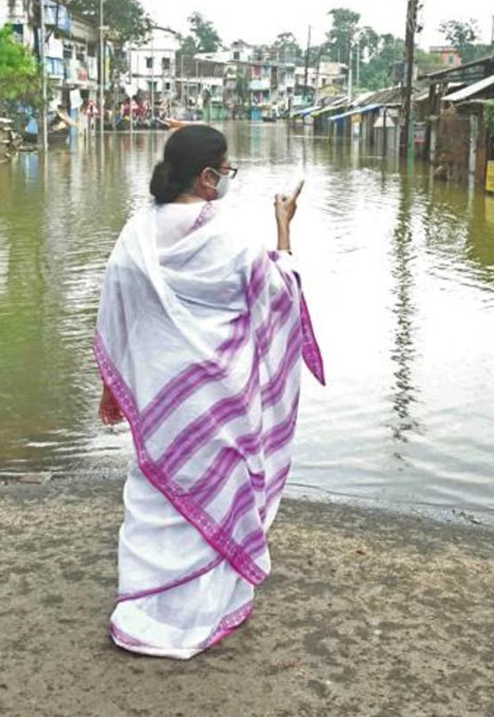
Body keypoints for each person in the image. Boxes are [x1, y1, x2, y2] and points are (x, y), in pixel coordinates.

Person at [94, 125, 325, 659]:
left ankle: (147, 615)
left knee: (159, 495)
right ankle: (200, 614)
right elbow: (280, 298)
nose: (227, 178)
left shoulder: (136, 234)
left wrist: (114, 385)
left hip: (163, 400)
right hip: (221, 402)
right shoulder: (231, 238)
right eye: (225, 170)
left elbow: (116, 313)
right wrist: (284, 228)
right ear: (205, 177)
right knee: (218, 495)